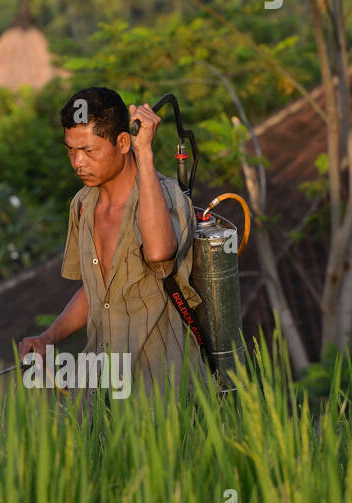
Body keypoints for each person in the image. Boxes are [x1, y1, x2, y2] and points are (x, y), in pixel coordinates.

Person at [18, 87, 209, 401]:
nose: (78, 162)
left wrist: (144, 153)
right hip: (102, 389)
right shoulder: (82, 205)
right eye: (71, 150)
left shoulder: (167, 196)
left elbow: (160, 255)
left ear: (122, 142)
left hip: (164, 391)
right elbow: (97, 291)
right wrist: (48, 337)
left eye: (89, 151)